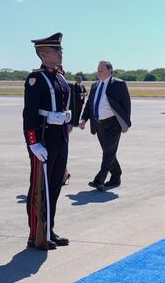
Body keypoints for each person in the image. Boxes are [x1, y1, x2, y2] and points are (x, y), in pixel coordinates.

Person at [23, 32, 72, 250]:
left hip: (60, 139)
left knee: (54, 187)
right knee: (39, 189)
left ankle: (49, 229)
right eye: (56, 50)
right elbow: (30, 115)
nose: (61, 53)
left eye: (60, 49)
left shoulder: (60, 78)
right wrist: (33, 143)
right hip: (43, 141)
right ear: (43, 54)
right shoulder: (36, 80)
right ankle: (36, 235)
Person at [80, 61, 131, 191]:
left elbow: (126, 104)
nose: (99, 72)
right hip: (98, 124)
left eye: (101, 70)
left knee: (108, 153)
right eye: (98, 70)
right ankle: (116, 175)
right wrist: (84, 119)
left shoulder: (118, 84)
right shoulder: (95, 85)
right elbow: (90, 104)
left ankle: (99, 180)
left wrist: (125, 123)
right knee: (109, 152)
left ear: (110, 71)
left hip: (113, 124)